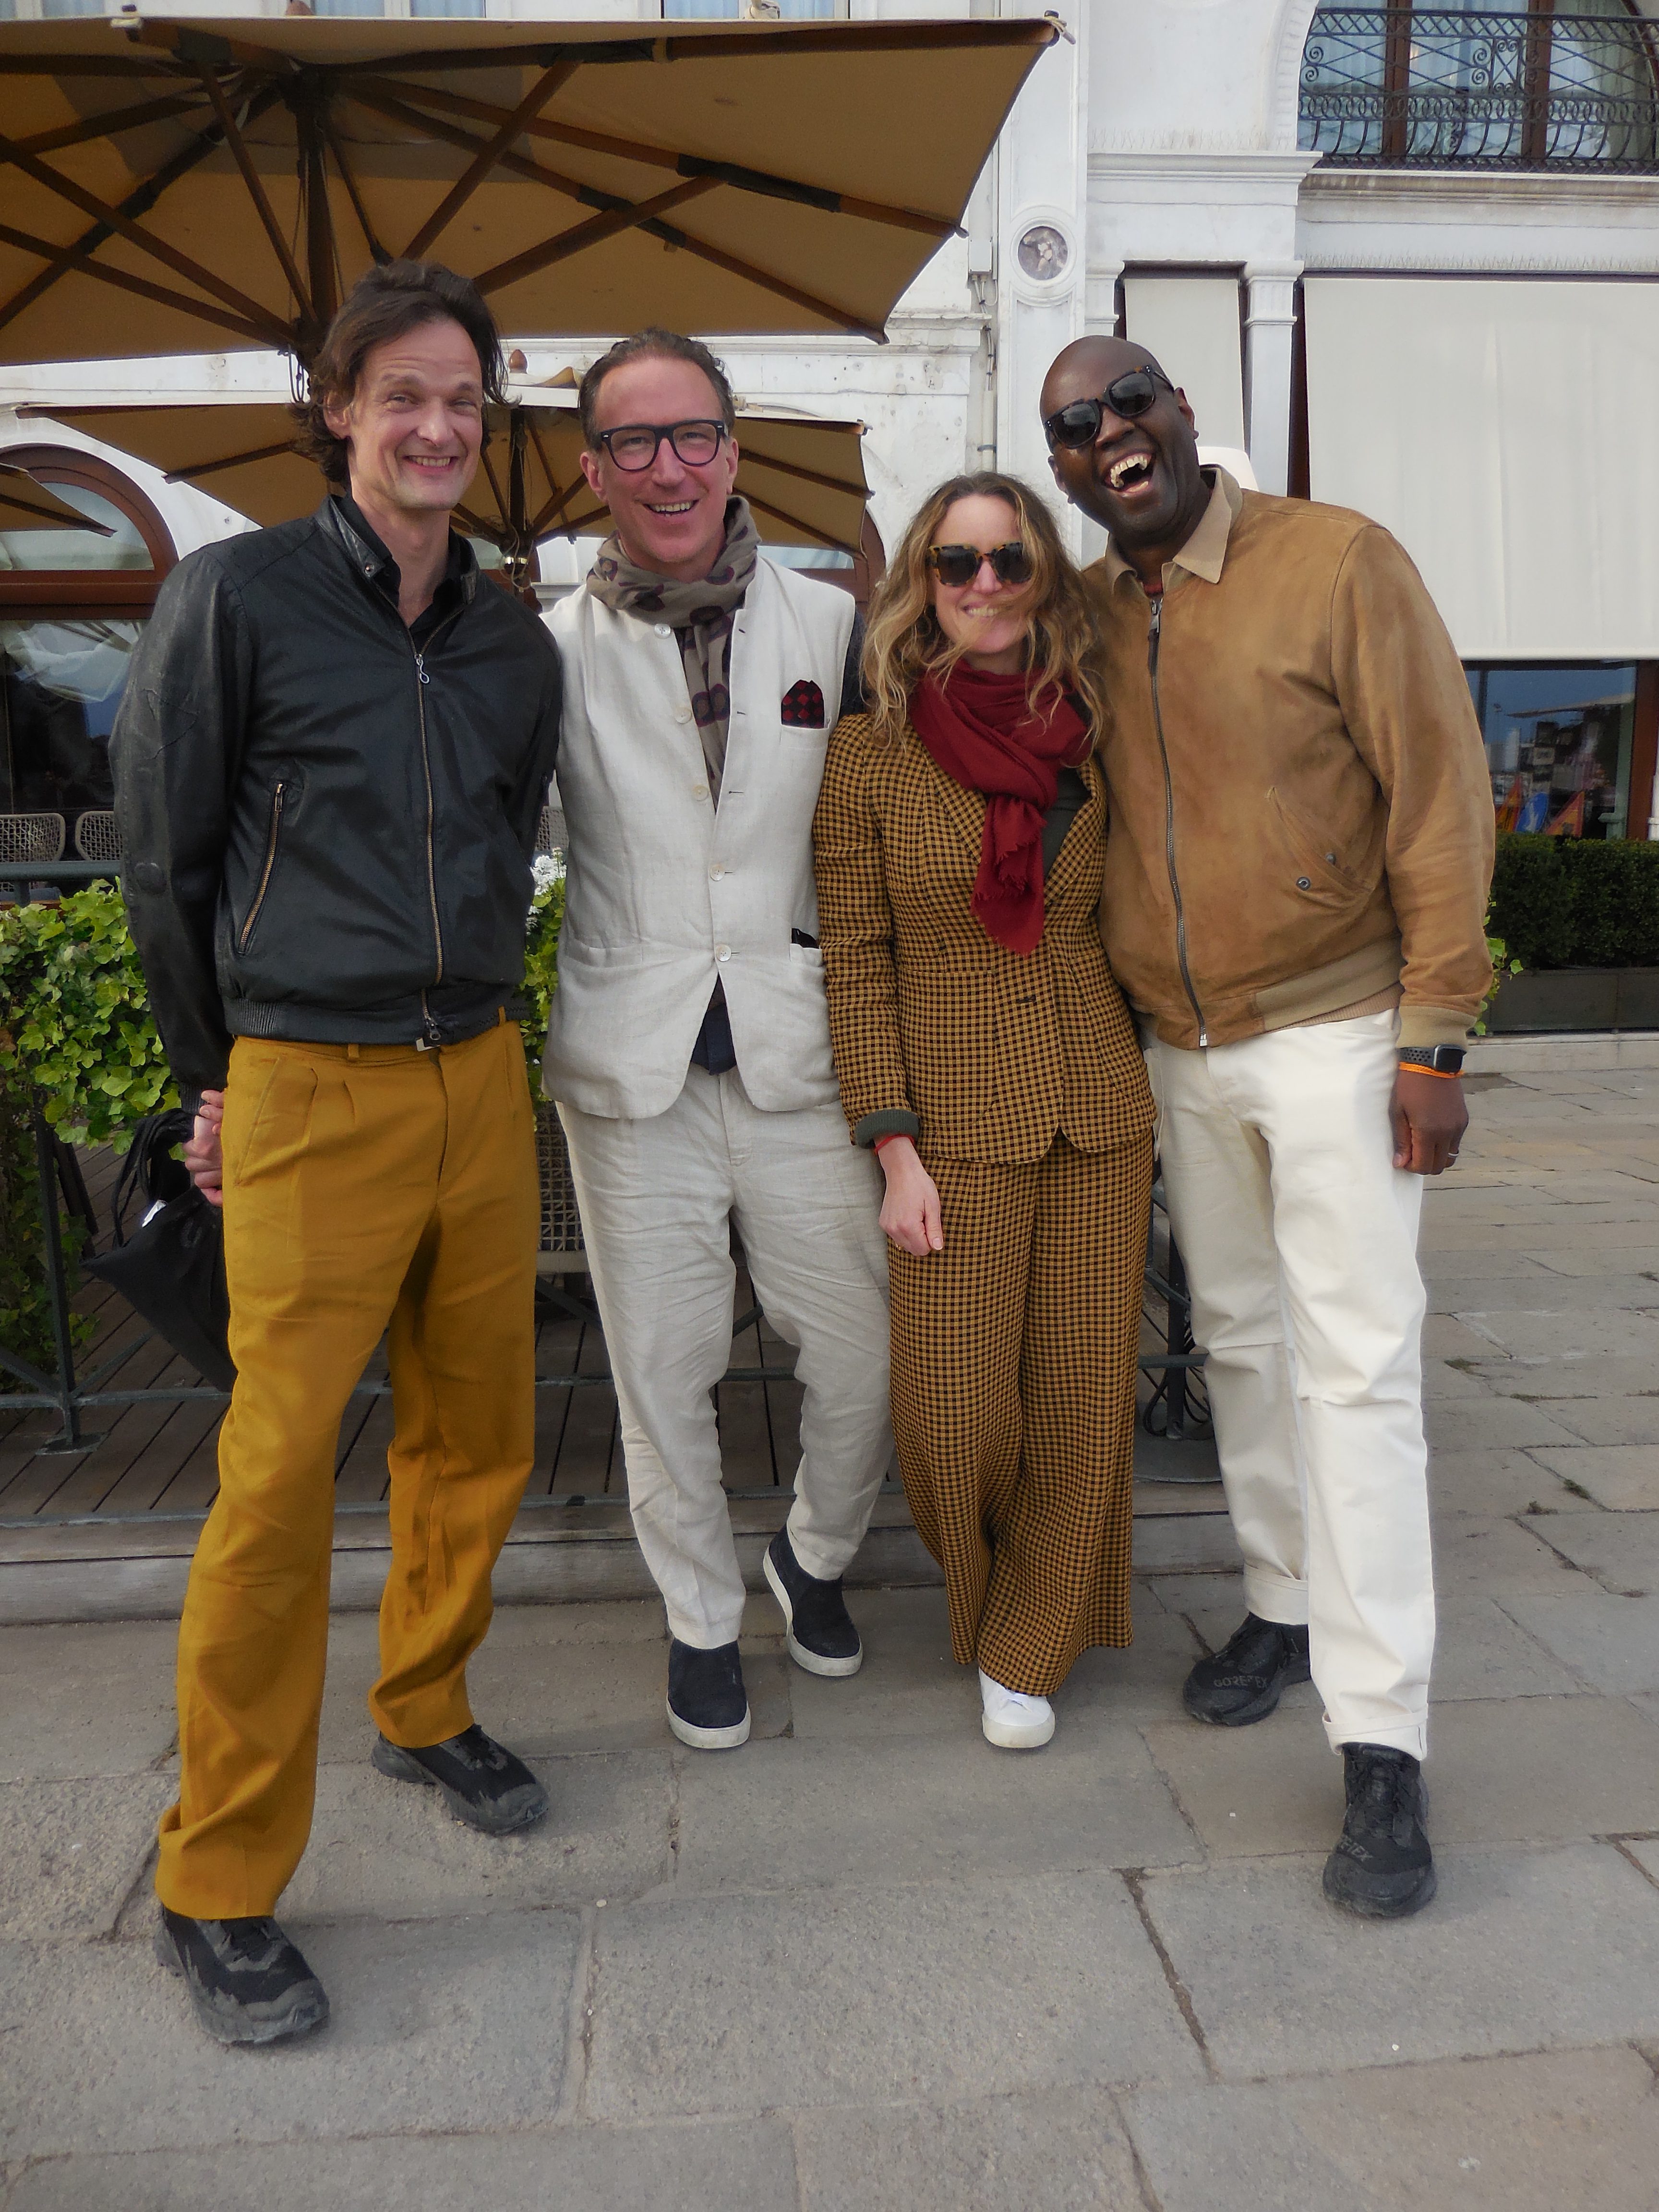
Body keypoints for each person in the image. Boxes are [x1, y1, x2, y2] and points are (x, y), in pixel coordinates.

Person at [109, 260, 562, 2044]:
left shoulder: (514, 641)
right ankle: (215, 1878)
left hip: (481, 1073)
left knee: (483, 1431)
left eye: (463, 399)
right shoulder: (235, 597)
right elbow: (165, 861)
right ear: (337, 409)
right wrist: (213, 1080)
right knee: (276, 1483)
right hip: (307, 1081)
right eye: (404, 397)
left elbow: (508, 833)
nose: (438, 427)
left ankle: (424, 1704)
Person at [1041, 335, 1494, 1914]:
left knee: (1356, 1375)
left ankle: (1383, 1738)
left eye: (1130, 400)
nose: (1110, 432)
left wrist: (1437, 1035)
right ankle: (1287, 1601)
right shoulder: (1085, 613)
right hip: (1182, 1045)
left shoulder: (1337, 561)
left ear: (1183, 412)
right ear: (1064, 468)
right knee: (1237, 1341)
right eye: (1075, 425)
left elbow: (1441, 794)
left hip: (1341, 1030)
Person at [544, 329, 892, 1751]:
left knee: (863, 1353)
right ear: (595, 472)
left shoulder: (835, 627)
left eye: (692, 435)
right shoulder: (544, 651)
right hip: (632, 1065)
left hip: (801, 1054)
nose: (669, 466)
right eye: (633, 441)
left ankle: (811, 1556)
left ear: (733, 452)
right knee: (663, 1370)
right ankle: (699, 1621)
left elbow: (889, 829)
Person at [813, 472, 1154, 1750]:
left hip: (1097, 1104)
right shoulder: (871, 753)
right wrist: (891, 1145)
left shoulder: (1096, 728)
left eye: (1009, 560)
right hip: (950, 1124)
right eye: (957, 564)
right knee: (953, 1416)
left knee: (1082, 1398)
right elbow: (857, 959)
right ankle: (994, 1590)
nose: (985, 585)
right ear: (922, 584)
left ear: (1044, 574)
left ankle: (1031, 1642)